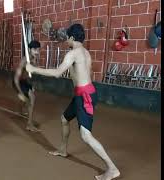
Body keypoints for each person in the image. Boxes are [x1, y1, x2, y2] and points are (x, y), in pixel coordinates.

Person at [25, 24, 120, 180]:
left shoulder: (73, 54)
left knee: (86, 135)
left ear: (71, 38)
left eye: (67, 38)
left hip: (84, 97)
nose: (65, 40)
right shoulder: (85, 53)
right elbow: (84, 75)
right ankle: (63, 149)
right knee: (64, 119)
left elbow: (57, 73)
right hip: (83, 93)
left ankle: (112, 168)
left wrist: (34, 69)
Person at [13, 40, 41, 132]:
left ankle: (19, 111)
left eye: (38, 50)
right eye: (34, 49)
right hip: (17, 82)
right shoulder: (24, 60)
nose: (37, 52)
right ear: (29, 49)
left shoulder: (34, 59)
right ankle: (29, 125)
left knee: (26, 98)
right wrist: (20, 92)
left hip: (25, 81)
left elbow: (30, 75)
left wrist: (31, 85)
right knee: (32, 98)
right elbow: (16, 78)